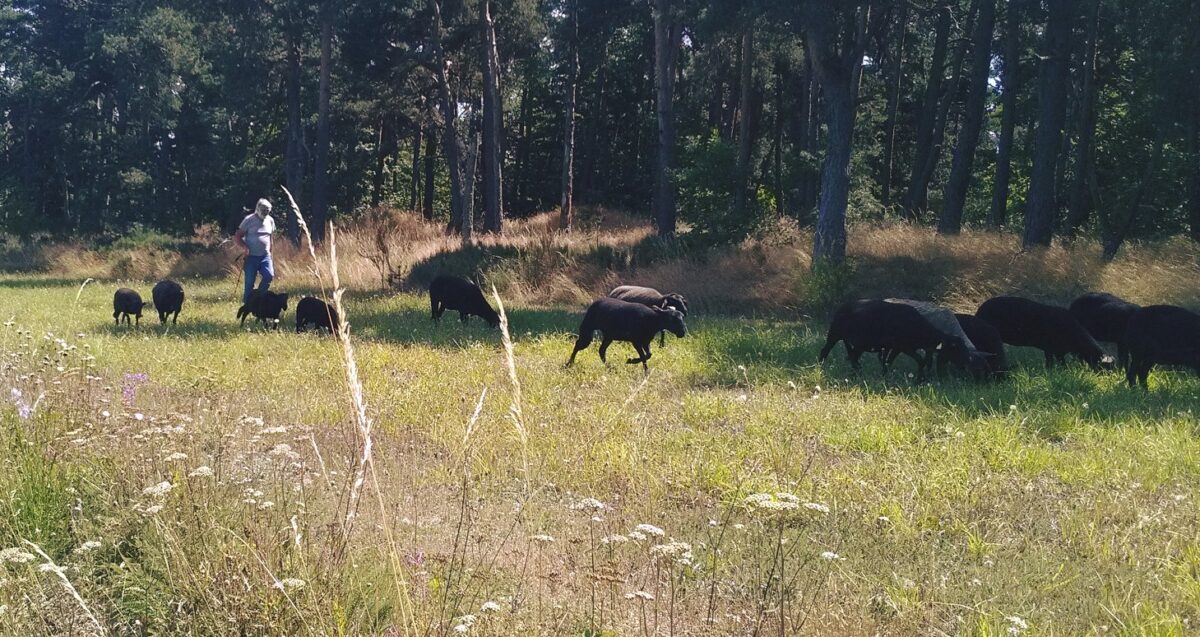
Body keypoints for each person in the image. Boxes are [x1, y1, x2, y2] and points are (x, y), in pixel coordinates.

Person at [234, 198, 277, 303]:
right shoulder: (249, 220)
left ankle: (258, 299)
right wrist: (245, 247)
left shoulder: (270, 220)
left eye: (267, 210)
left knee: (269, 276)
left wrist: (271, 254)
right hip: (251, 257)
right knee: (249, 283)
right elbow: (238, 236)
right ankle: (247, 304)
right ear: (258, 208)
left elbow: (271, 238)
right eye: (263, 210)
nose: (265, 212)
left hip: (265, 256)